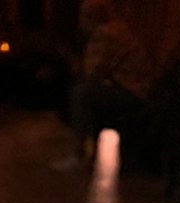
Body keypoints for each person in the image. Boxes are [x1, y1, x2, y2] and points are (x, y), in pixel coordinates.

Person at [53, 0, 155, 170]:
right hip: (137, 92)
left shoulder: (106, 33)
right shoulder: (117, 29)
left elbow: (92, 74)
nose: (80, 21)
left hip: (134, 94)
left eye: (83, 16)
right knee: (88, 94)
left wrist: (70, 58)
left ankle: (79, 153)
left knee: (81, 94)